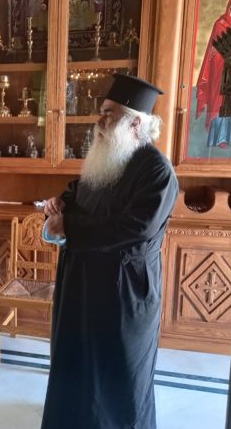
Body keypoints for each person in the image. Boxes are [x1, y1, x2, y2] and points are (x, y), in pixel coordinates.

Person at [41, 74, 179, 429]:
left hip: (123, 294)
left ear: (135, 123)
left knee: (118, 380)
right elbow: (80, 191)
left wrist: (70, 226)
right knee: (77, 370)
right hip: (82, 286)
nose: (99, 122)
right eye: (101, 113)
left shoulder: (157, 172)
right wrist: (60, 203)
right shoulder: (106, 155)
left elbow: (135, 228)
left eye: (109, 114)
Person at [196, 0, 231, 149]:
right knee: (219, 101)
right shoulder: (220, 24)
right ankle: (219, 139)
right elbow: (215, 49)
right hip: (220, 68)